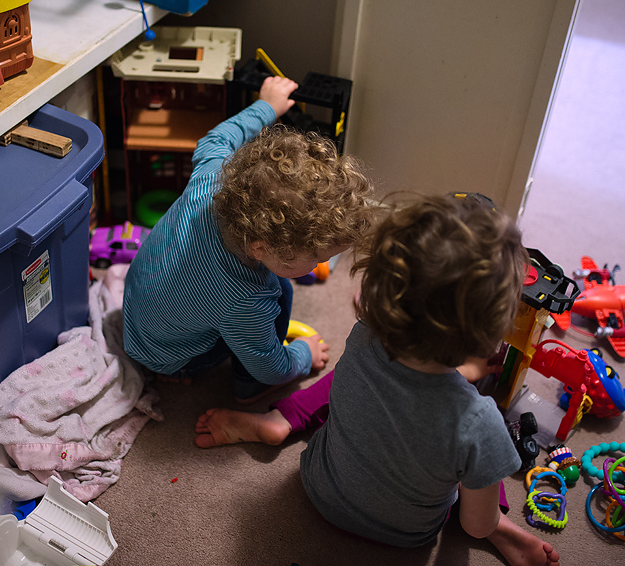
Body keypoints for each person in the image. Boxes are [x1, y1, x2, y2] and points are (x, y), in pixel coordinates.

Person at [194, 195, 561, 566]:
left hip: (320, 485)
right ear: (488, 334)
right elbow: (474, 525)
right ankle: (504, 527)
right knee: (480, 468)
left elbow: (406, 391)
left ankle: (281, 418)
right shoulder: (480, 423)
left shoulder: (364, 336)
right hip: (407, 536)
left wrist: (461, 376)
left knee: (353, 385)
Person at [122, 76, 376, 404]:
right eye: (318, 257)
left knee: (265, 291)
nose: (323, 264)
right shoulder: (247, 300)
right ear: (260, 246)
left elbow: (218, 137)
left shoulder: (211, 179)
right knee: (279, 291)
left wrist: (266, 105)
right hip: (172, 358)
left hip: (137, 316)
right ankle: (245, 388)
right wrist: (301, 354)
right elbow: (270, 367)